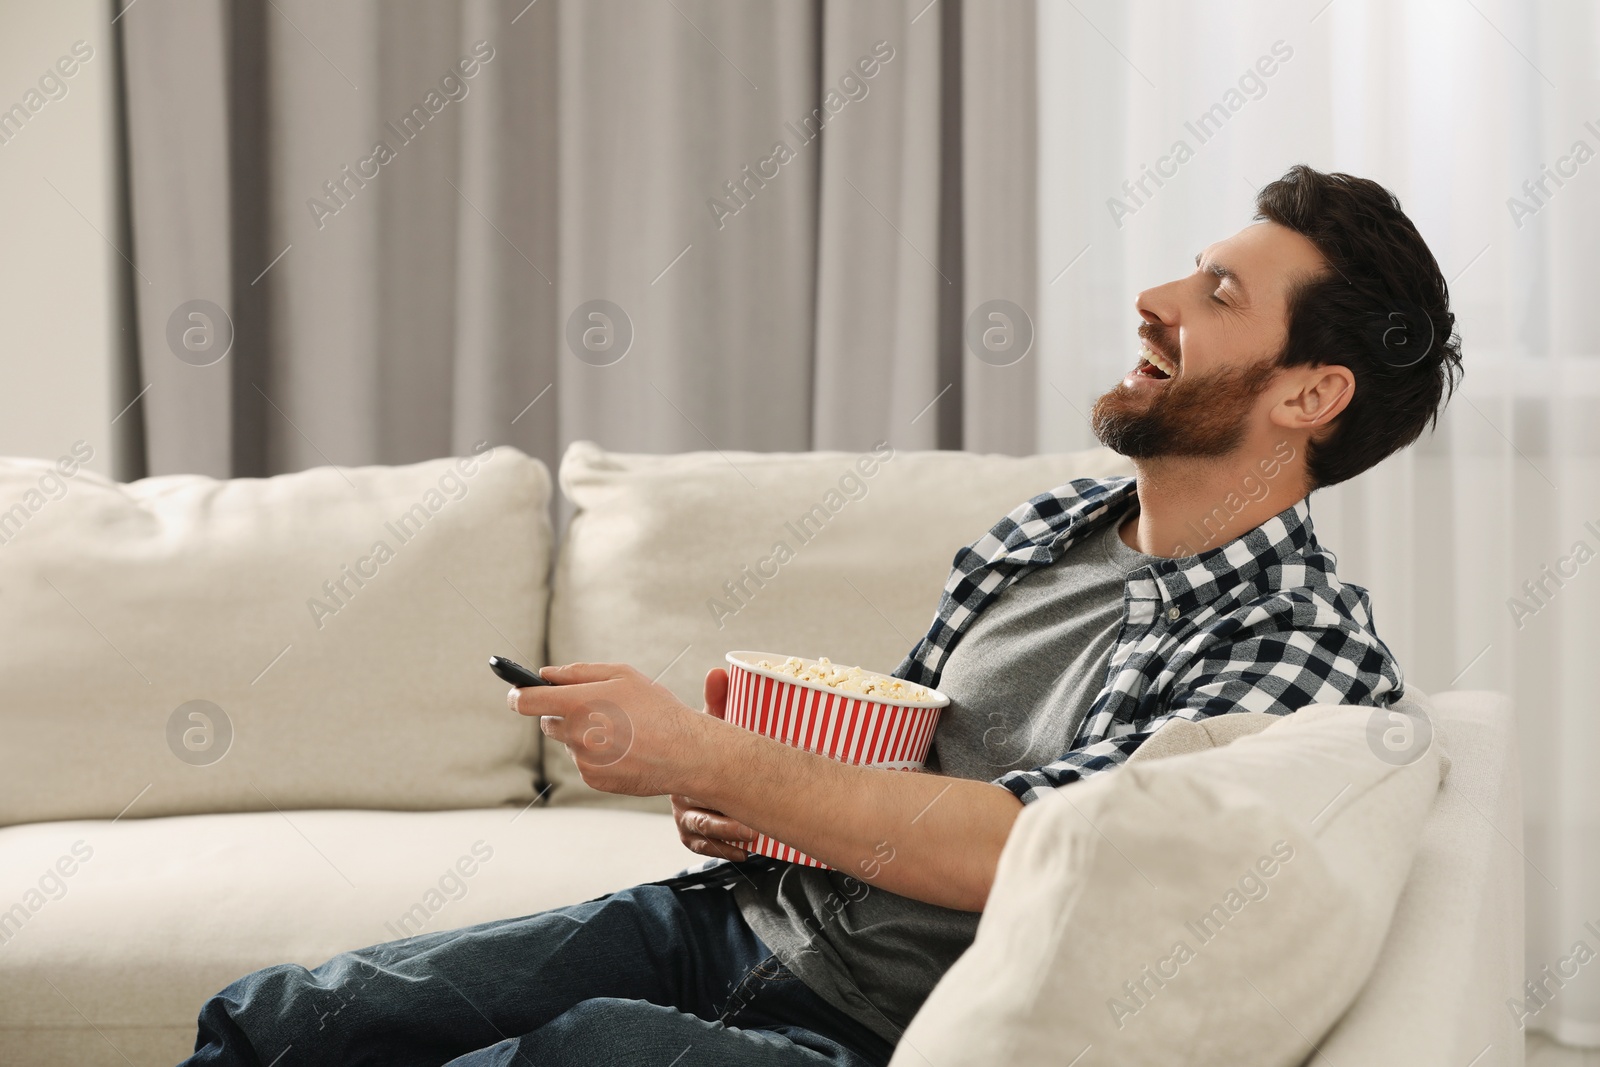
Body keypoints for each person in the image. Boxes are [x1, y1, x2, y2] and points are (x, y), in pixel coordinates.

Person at [181, 164, 1462, 1066]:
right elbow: (899, 759)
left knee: (559, 1054)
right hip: (734, 918)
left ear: (1311, 396)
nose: (1156, 299)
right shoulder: (1052, 525)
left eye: (1219, 296)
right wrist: (753, 801)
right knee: (284, 1017)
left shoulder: (1301, 646)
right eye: (1192, 271)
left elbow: (1042, 846)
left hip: (879, 1025)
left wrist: (705, 749)